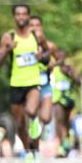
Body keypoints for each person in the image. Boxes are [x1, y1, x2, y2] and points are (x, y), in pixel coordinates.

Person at [0, 5, 45, 163]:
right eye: (18, 14)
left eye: (24, 14)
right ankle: (29, 153)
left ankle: (35, 130)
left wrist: (41, 56)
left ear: (29, 17)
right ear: (14, 17)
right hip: (16, 83)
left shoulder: (36, 35)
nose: (21, 17)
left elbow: (46, 56)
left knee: (31, 112)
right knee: (20, 124)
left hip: (33, 82)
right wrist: (7, 49)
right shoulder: (8, 37)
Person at [29, 15, 60, 149]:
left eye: (37, 25)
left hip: (45, 85)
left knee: (46, 118)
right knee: (33, 118)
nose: (34, 28)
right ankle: (33, 151)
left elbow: (60, 59)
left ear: (41, 27)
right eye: (31, 25)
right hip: (30, 86)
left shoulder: (49, 45)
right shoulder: (24, 44)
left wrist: (53, 64)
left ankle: (39, 127)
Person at [51, 51, 79, 157]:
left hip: (69, 99)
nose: (60, 59)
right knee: (59, 122)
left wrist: (72, 75)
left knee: (66, 124)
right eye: (58, 57)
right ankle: (62, 146)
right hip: (57, 99)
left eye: (62, 57)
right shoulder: (53, 69)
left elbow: (79, 82)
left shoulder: (70, 68)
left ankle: (66, 142)